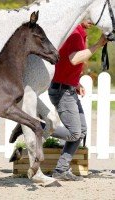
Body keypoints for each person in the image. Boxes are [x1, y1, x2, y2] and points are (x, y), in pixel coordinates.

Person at [48, 19, 108, 181]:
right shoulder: (74, 33)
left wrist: (76, 82)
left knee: (81, 131)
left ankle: (61, 170)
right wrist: (99, 44)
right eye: (89, 17)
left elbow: (67, 63)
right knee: (75, 132)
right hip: (62, 91)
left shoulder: (79, 32)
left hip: (68, 88)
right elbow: (74, 58)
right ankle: (39, 126)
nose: (93, 21)